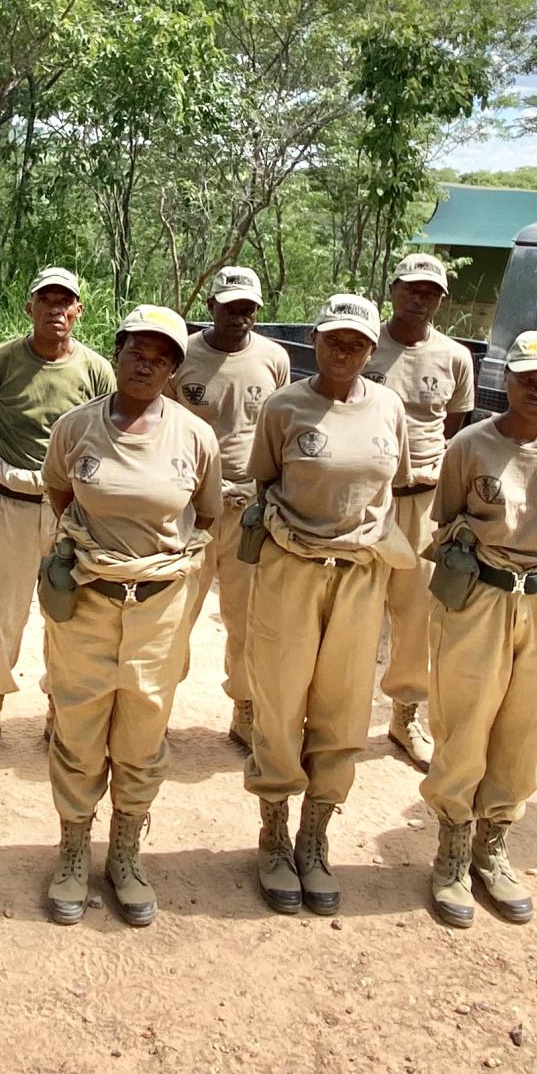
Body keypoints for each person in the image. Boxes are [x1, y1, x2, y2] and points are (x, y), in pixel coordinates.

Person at [38, 306, 223, 926]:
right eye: (137, 351)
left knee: (143, 733)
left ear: (175, 369)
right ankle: (71, 852)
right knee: (79, 726)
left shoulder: (196, 437)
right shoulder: (76, 429)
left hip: (159, 607)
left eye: (162, 356)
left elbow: (208, 514)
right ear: (117, 354)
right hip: (88, 601)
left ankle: (124, 853)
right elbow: (62, 497)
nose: (148, 363)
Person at [418, 332, 537, 929]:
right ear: (506, 378)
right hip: (479, 598)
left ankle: (492, 846)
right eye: (527, 376)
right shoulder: (469, 447)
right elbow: (445, 517)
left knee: (529, 730)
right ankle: (450, 851)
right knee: (463, 721)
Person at [240, 292, 414, 917]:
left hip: (361, 574)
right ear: (315, 340)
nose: (344, 350)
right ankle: (274, 835)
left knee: (342, 708)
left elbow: (388, 488)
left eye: (357, 343)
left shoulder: (390, 407)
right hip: (292, 567)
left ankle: (315, 838)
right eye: (333, 338)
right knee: (281, 702)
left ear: (372, 349)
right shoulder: (285, 407)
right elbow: (264, 480)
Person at [0, 265, 113, 768]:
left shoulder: (95, 371)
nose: (55, 310)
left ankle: (57, 714)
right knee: (2, 612)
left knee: (67, 614)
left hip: (72, 511)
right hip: (13, 507)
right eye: (45, 300)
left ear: (77, 311)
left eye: (64, 301)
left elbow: (109, 437)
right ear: (30, 308)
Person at [171, 266, 293, 752]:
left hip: (248, 510)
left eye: (247, 308)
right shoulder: (183, 356)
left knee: (247, 618)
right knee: (175, 613)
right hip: (190, 510)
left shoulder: (275, 358)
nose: (239, 316)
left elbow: (279, 427)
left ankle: (244, 709)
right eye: (230, 306)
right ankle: (154, 709)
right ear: (211, 307)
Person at [369, 251, 475, 772]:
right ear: (393, 290)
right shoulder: (365, 346)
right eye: (411, 288)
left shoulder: (455, 358)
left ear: (440, 300)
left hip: (420, 502)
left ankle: (404, 714)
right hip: (364, 499)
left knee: (414, 614)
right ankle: (332, 715)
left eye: (430, 291)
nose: (420, 298)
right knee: (352, 608)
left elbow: (452, 423)